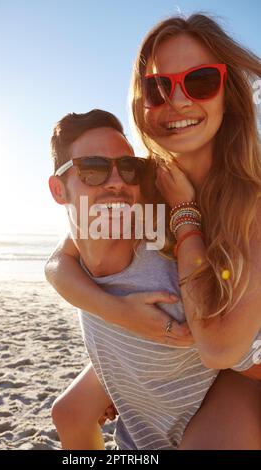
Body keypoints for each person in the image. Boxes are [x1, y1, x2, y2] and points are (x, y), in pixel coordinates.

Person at [47, 104, 261, 450]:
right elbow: (55, 263)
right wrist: (116, 314)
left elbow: (247, 358)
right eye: (93, 169)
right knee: (68, 414)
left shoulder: (171, 276)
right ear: (59, 190)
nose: (117, 182)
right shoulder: (79, 253)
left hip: (199, 418)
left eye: (129, 168)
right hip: (141, 417)